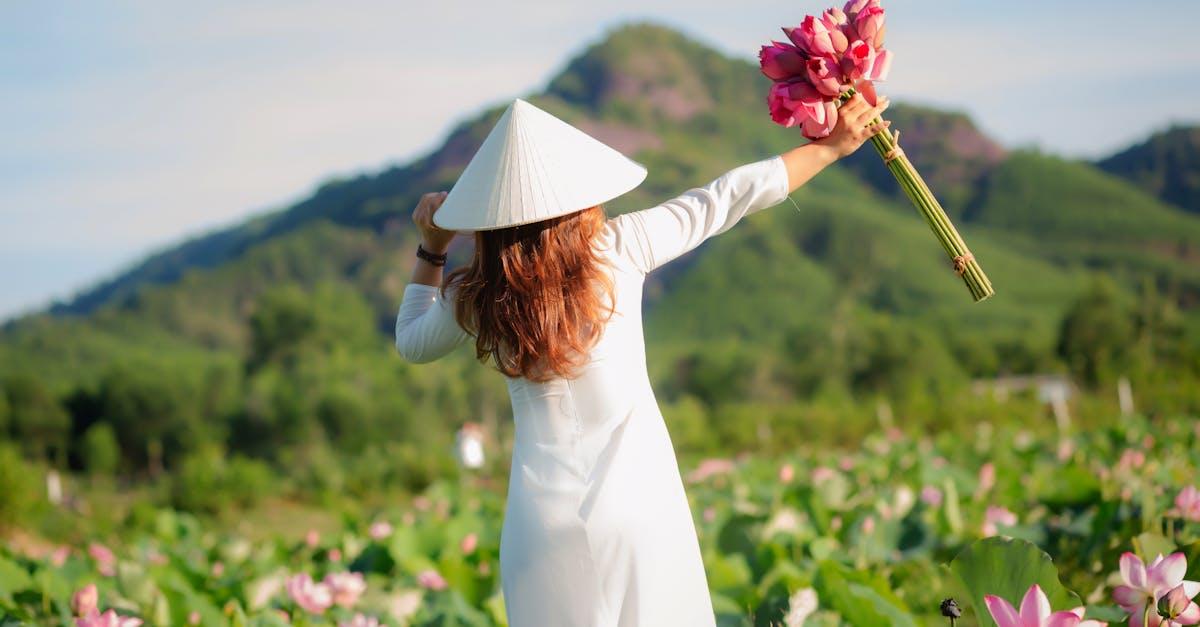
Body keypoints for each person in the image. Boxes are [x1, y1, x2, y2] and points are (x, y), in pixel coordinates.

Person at [394, 95, 889, 626]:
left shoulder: (477, 292)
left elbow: (412, 342)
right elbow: (726, 197)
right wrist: (832, 148)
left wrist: (433, 249)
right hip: (637, 507)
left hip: (538, 527)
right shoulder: (618, 247)